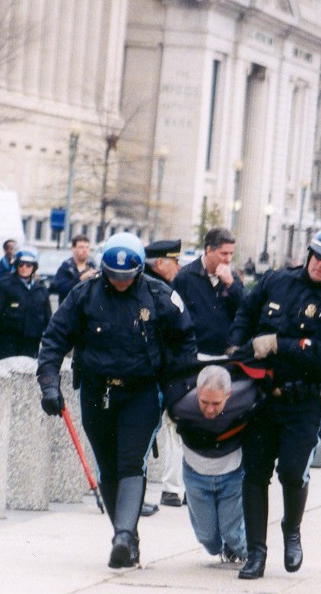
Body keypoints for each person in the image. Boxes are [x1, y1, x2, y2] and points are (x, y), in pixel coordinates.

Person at [37, 233, 196, 569]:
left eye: (127, 276)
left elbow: (184, 341)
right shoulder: (84, 294)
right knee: (108, 466)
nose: (120, 282)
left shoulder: (159, 295)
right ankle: (127, 535)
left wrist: (178, 391)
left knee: (129, 462)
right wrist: (49, 383)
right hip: (97, 390)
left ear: (139, 271)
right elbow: (54, 339)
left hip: (140, 392)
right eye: (113, 275)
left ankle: (122, 535)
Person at [229, 225, 321, 580]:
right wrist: (237, 344)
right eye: (316, 256)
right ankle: (255, 553)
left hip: (303, 401)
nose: (319, 265)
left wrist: (278, 345)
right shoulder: (277, 281)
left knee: (291, 471)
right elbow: (246, 311)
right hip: (262, 396)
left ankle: (292, 531)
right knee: (254, 472)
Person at [168, 364, 260, 565]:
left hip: (232, 474)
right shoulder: (180, 405)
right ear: (197, 392)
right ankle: (223, 546)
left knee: (234, 535)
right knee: (208, 540)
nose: (209, 409)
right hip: (195, 476)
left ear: (229, 395)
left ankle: (243, 552)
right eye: (204, 402)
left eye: (216, 403)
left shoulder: (245, 396)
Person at [144, 239, 184, 512]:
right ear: (160, 263)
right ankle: (130, 497)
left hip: (156, 374)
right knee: (140, 440)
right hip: (148, 376)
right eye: (174, 261)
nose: (179, 267)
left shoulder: (162, 288)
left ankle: (132, 496)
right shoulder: (153, 290)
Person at [173, 227, 246, 357]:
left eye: (231, 254)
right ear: (208, 250)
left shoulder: (232, 277)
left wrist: (231, 285)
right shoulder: (185, 276)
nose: (228, 259)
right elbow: (175, 318)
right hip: (196, 353)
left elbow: (246, 309)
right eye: (224, 253)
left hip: (225, 353)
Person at [0, 247, 52, 359]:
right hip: (8, 341)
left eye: (28, 265)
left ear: (34, 267)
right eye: (21, 264)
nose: (24, 268)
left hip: (31, 341)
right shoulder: (5, 284)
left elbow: (47, 316)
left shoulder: (40, 289)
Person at [54, 234, 97, 302]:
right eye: (81, 247)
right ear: (73, 249)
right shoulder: (66, 267)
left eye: (87, 247)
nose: (85, 250)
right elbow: (60, 289)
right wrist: (80, 279)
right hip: (69, 309)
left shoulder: (93, 266)